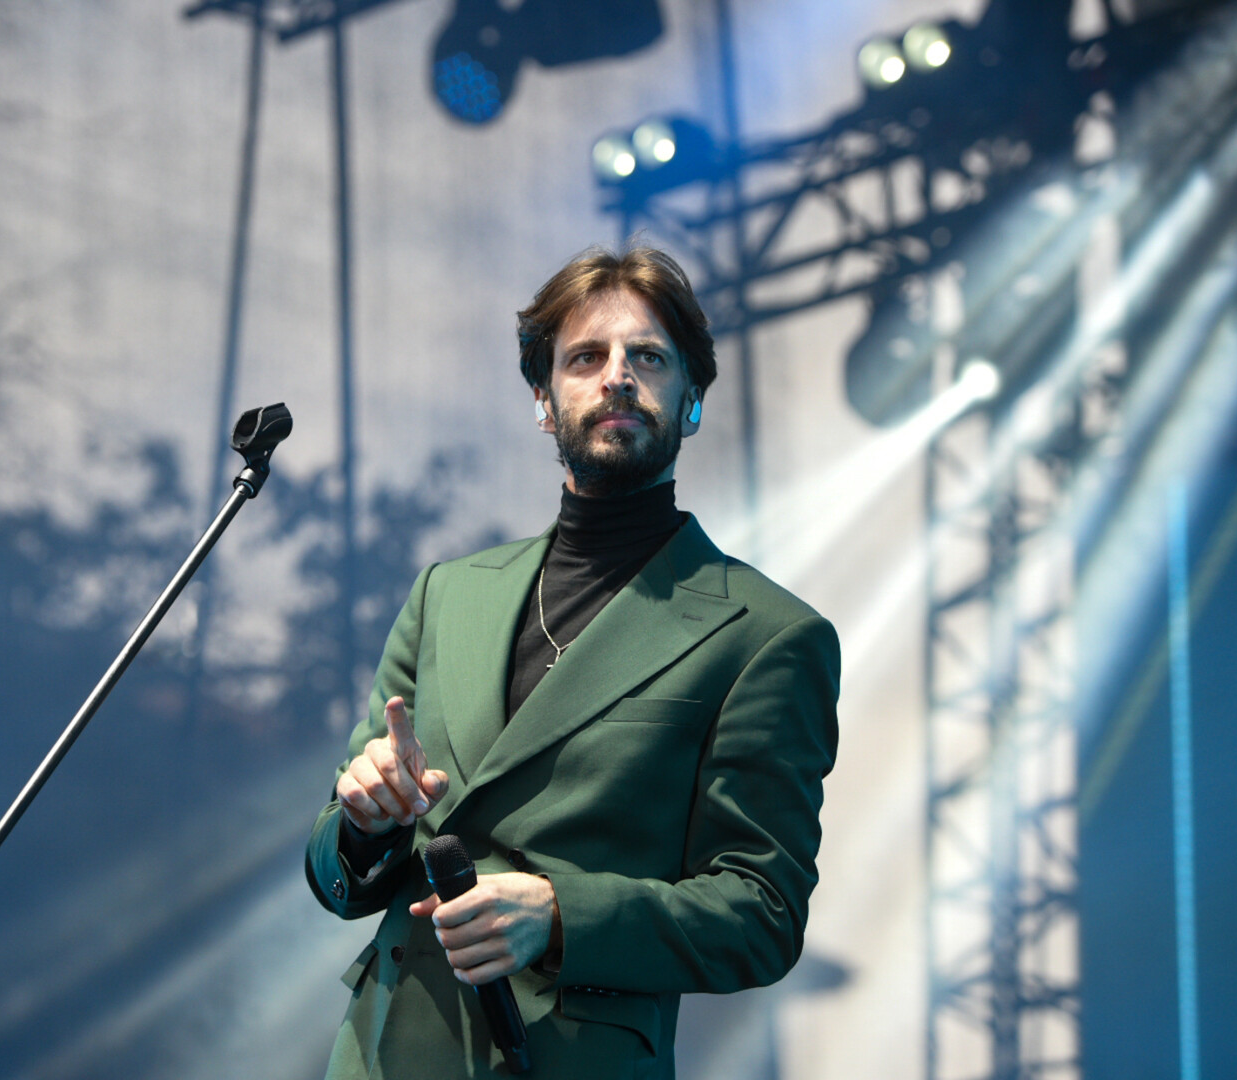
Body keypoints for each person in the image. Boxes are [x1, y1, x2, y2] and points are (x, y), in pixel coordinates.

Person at [305, 245, 840, 1079]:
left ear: (692, 400)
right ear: (544, 403)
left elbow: (762, 915)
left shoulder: (767, 634)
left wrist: (561, 915)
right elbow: (335, 871)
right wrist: (367, 822)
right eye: (586, 357)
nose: (616, 376)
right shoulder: (447, 594)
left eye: (648, 357)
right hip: (384, 1054)